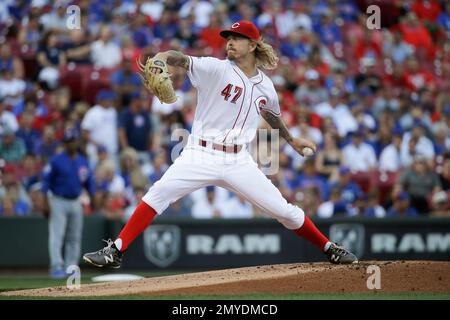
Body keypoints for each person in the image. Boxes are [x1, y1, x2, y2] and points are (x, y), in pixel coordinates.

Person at [83, 20, 357, 268]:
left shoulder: (266, 86)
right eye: (228, 38)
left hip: (238, 160)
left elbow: (271, 114)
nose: (230, 42)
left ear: (252, 45)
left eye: (236, 38)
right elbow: (180, 59)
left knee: (284, 211)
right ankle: (115, 250)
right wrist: (161, 58)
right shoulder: (214, 68)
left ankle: (329, 247)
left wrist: (290, 138)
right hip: (200, 153)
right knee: (158, 194)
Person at [42, 129, 96, 279]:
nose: (71, 143)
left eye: (73, 140)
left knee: (74, 236)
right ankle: (56, 266)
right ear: (65, 144)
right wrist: (45, 202)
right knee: (57, 235)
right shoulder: (56, 160)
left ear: (77, 142)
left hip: (75, 200)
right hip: (58, 200)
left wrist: (93, 196)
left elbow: (88, 182)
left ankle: (70, 266)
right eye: (68, 141)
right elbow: (46, 182)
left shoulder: (82, 161)